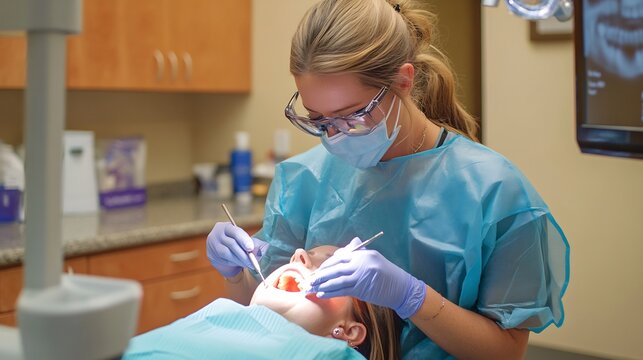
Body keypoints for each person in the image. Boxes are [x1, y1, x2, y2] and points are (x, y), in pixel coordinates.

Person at [206, 0, 570, 358]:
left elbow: (505, 353)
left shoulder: (496, 193)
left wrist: (412, 296)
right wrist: (237, 275)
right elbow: (266, 318)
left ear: (403, 81)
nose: (333, 136)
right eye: (318, 120)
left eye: (352, 117)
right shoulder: (305, 178)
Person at [124, 245, 401, 360]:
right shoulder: (220, 315)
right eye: (310, 251)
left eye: (329, 265)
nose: (300, 254)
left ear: (349, 331)